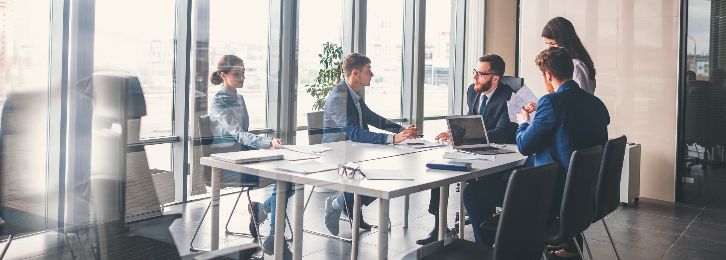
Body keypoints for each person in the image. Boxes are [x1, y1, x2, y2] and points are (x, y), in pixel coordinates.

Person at [515, 47, 609, 259]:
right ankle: (570, 246)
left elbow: (524, 146)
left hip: (557, 192)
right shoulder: (595, 103)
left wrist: (523, 123)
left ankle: (496, 249)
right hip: (585, 191)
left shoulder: (550, 102)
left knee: (477, 192)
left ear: (547, 75)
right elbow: (573, 130)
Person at [416, 54, 518, 245]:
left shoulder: (509, 97)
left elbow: (503, 132)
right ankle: (440, 227)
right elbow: (471, 121)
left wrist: (464, 137)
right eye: (475, 72)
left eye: (480, 74)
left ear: (495, 78)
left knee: (475, 189)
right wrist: (455, 132)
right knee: (441, 170)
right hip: (472, 148)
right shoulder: (473, 90)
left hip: (498, 154)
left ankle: (486, 241)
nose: (474, 78)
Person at [322, 53, 419, 236]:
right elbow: (353, 132)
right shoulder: (339, 97)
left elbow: (372, 118)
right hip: (337, 153)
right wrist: (392, 139)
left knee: (382, 174)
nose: (372, 74)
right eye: (369, 70)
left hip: (354, 150)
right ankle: (336, 204)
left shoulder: (354, 94)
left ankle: (348, 204)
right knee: (376, 177)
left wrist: (402, 130)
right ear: (356, 73)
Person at [207, 55, 291, 259]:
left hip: (244, 156)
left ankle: (263, 214)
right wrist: (267, 142)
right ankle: (275, 237)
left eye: (244, 72)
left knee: (288, 175)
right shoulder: (218, 101)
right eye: (237, 74)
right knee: (284, 178)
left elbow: (244, 134)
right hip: (227, 163)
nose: (243, 77)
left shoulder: (239, 97)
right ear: (222, 75)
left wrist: (267, 145)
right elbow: (238, 134)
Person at [541, 17, 597, 95]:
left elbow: (581, 102)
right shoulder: (569, 63)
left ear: (564, 41)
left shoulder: (576, 65)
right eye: (548, 44)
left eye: (553, 44)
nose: (550, 49)